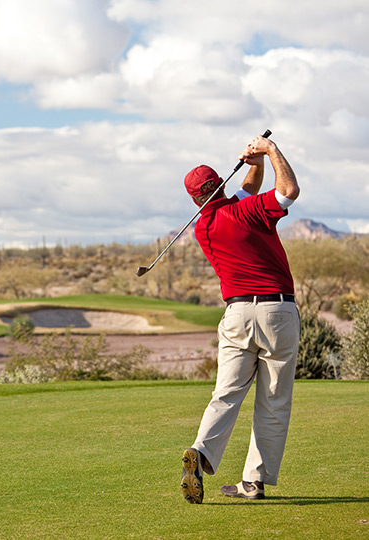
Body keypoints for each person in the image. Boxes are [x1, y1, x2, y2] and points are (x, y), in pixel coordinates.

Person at [179, 135, 301, 504]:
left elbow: (246, 193)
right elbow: (289, 190)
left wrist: (255, 165)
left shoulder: (204, 226)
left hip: (237, 315)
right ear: (221, 183)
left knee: (226, 393)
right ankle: (254, 481)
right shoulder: (250, 211)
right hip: (277, 312)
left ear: (195, 200)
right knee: (273, 400)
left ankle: (201, 451)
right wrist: (270, 151)